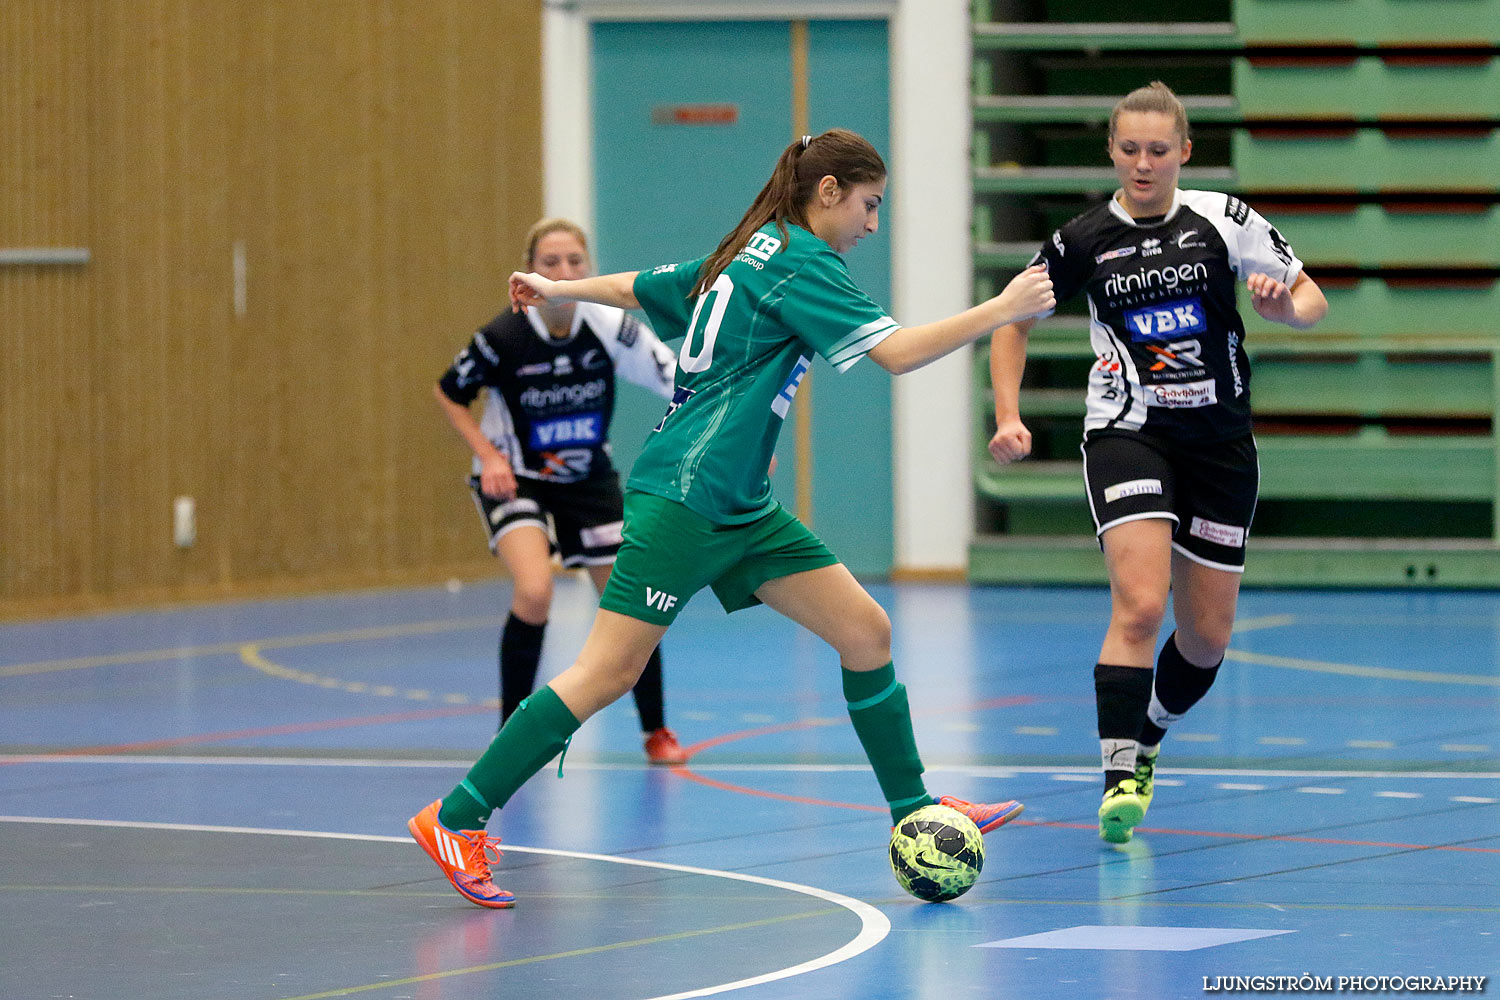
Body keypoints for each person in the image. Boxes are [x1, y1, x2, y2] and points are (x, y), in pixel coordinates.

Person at [409, 127, 1056, 908]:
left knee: (866, 632)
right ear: (828, 193)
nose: (872, 224)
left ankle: (916, 808)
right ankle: (457, 816)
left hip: (739, 503)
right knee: (606, 671)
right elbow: (898, 355)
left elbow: (642, 286)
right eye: (869, 204)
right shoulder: (801, 263)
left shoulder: (749, 249)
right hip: (688, 495)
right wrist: (1001, 306)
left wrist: (560, 291)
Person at [986, 82, 1328, 844]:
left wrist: (1282, 309)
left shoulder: (1223, 220)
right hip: (1127, 430)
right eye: (1130, 149)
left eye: (1158, 150)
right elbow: (1012, 322)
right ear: (1112, 151)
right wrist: (1008, 415)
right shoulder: (1081, 241)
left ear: (1184, 153)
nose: (1144, 164)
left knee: (1205, 638)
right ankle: (1116, 778)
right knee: (1141, 604)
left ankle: (1149, 734)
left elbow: (1309, 298)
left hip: (1220, 444)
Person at [434, 217, 688, 766]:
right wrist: (489, 454)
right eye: (551, 262)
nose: (564, 271)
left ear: (587, 268)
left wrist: (732, 432)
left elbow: (678, 380)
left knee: (631, 603)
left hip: (589, 480)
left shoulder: (610, 327)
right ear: (531, 271)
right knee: (535, 591)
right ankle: (511, 735)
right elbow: (450, 392)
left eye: (575, 261)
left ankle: (656, 730)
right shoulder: (503, 335)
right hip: (518, 477)